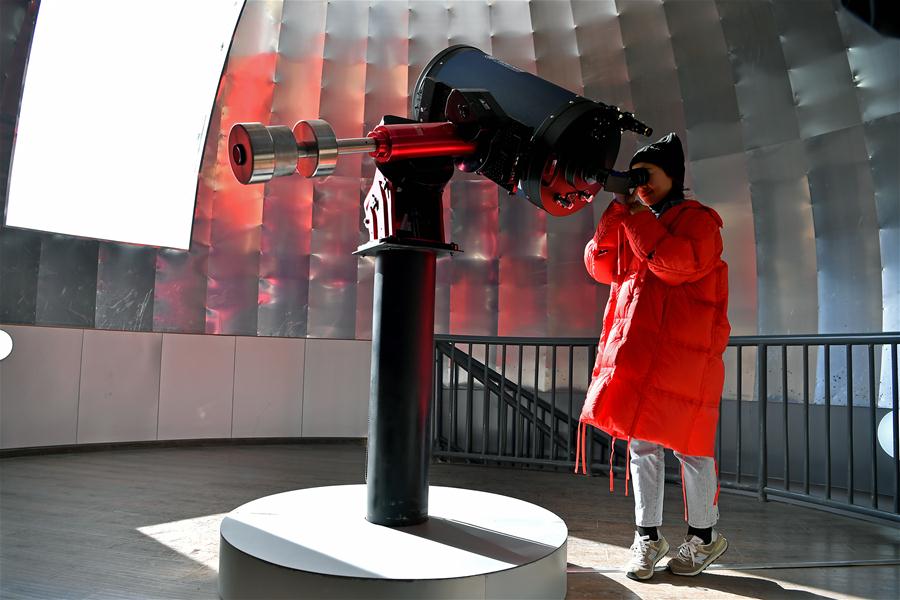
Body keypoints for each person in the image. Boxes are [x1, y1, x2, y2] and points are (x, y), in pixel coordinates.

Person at [575, 133, 731, 581]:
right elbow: (601, 266)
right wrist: (617, 213)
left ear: (674, 177)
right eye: (635, 177)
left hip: (683, 357)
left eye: (648, 176)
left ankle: (704, 537)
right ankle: (648, 536)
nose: (640, 185)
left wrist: (638, 218)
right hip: (643, 354)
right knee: (643, 445)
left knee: (690, 446)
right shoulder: (635, 219)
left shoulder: (699, 222)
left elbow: (675, 264)